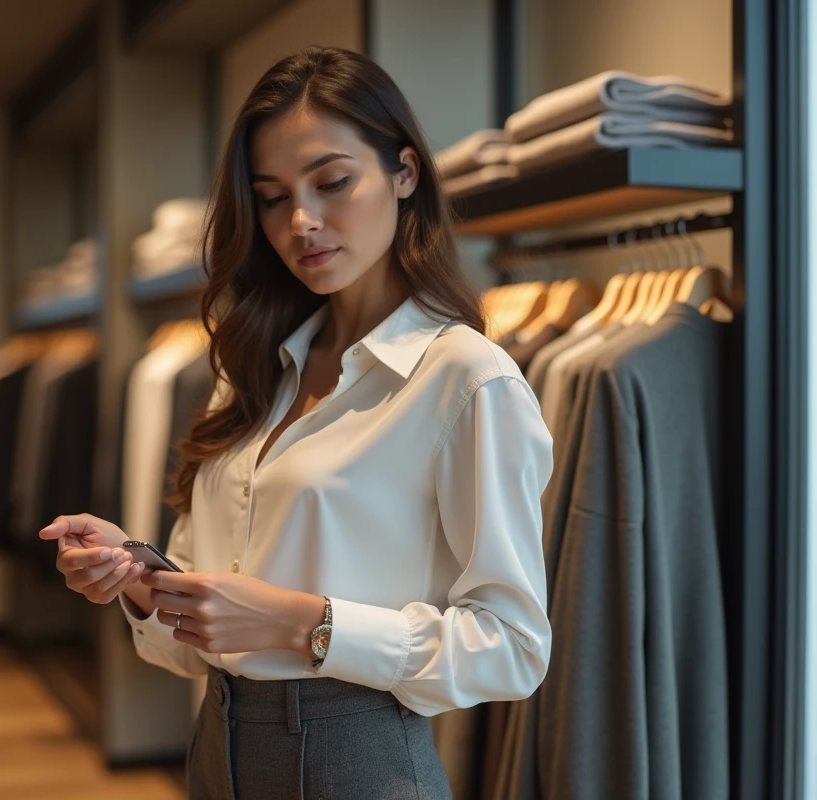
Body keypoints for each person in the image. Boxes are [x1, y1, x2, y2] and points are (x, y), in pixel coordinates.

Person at [40, 46, 553, 800]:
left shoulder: (466, 380)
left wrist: (307, 623)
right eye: (273, 197)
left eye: (333, 181)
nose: (302, 222)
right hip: (218, 740)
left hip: (359, 755)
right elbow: (204, 630)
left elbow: (512, 649)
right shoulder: (250, 371)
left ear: (405, 173)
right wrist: (144, 581)